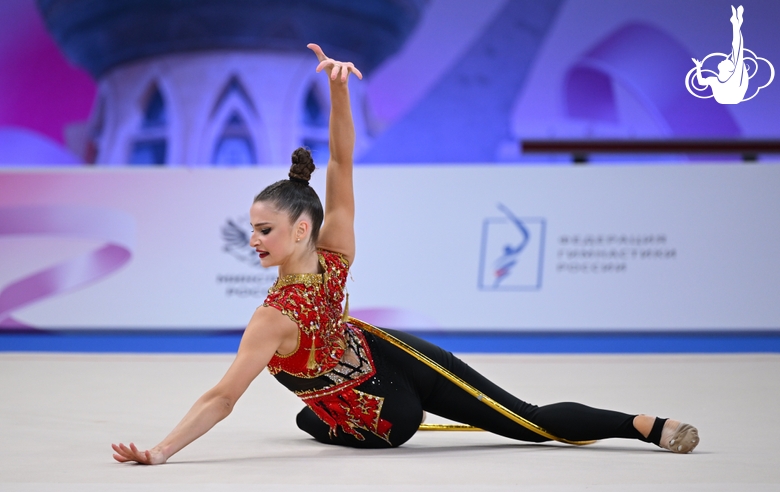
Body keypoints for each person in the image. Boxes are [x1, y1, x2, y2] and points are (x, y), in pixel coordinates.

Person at [111, 44, 699, 465]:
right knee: (522, 417)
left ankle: (647, 426)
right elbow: (341, 163)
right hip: (389, 365)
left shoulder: (271, 319)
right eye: (252, 230)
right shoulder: (335, 249)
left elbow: (222, 396)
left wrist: (162, 451)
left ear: (299, 231)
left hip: (387, 408)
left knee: (516, 417)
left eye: (264, 229)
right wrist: (339, 92)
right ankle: (651, 427)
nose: (254, 240)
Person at [692, 5, 748, 104]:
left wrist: (736, 25)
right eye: (727, 60)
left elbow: (737, 48)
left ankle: (736, 23)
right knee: (737, 52)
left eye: (727, 61)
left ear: (729, 69)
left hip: (733, 97)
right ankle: (736, 23)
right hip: (725, 98)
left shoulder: (735, 77)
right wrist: (698, 67)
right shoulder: (714, 80)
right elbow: (701, 82)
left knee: (737, 51)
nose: (725, 59)